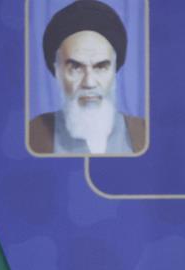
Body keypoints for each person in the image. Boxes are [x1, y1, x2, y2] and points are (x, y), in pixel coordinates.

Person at [29, 0, 145, 155]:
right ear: (57, 71)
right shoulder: (33, 135)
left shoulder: (143, 133)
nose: (89, 82)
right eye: (75, 67)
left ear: (114, 69)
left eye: (101, 67)